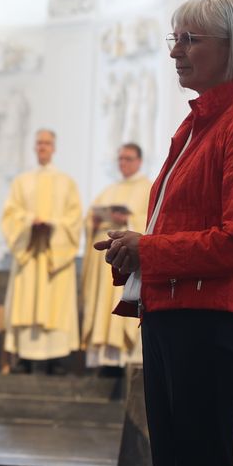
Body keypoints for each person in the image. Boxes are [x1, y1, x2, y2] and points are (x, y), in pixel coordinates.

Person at [98, 0, 233, 466]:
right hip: (174, 317)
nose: (174, 51)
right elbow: (182, 223)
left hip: (210, 322)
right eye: (174, 38)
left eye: (189, 40)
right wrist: (134, 251)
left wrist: (150, 250)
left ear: (232, 48)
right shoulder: (198, 126)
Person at [0, 129, 82, 374]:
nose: (43, 147)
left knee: (55, 305)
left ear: (54, 147)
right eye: (39, 143)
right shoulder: (21, 181)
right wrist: (28, 222)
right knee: (26, 303)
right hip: (30, 253)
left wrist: (53, 226)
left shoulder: (67, 182)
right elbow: (10, 215)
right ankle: (23, 358)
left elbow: (74, 219)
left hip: (53, 256)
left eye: (47, 143)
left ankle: (54, 360)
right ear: (34, 147)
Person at [81, 143, 150, 370]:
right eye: (120, 159)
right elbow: (89, 218)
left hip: (128, 264)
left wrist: (128, 222)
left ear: (139, 161)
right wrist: (95, 222)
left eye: (128, 158)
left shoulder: (147, 188)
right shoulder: (108, 190)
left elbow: (151, 223)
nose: (124, 163)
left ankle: (123, 361)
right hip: (106, 266)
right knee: (103, 307)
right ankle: (103, 362)